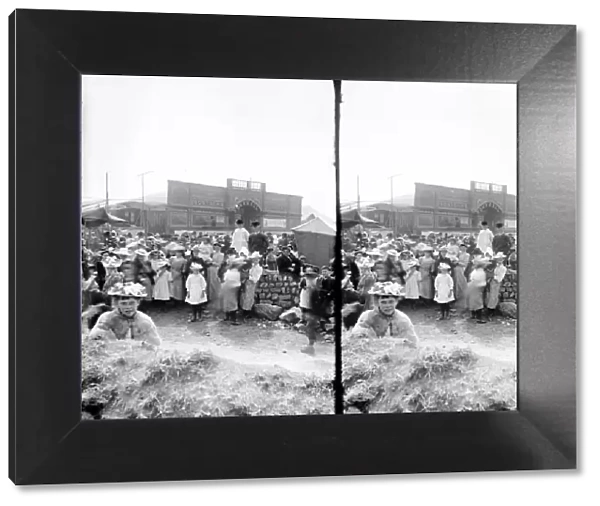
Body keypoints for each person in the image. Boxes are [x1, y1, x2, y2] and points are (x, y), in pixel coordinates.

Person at [89, 282, 161, 347]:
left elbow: (156, 344)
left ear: (138, 302)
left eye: (131, 303)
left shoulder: (145, 320)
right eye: (123, 303)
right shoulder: (107, 318)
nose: (128, 307)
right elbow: (93, 339)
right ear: (117, 303)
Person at [350, 282, 419, 347]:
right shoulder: (368, 317)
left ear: (396, 302)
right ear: (377, 302)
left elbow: (413, 343)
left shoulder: (403, 319)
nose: (388, 306)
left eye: (391, 302)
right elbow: (356, 338)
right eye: (383, 302)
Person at [298, 266, 323, 356]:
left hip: (312, 310)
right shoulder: (305, 285)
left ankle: (310, 346)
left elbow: (316, 301)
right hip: (305, 308)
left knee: (309, 327)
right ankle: (310, 345)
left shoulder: (315, 288)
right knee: (308, 327)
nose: (307, 278)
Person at [220, 258, 245, 324]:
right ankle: (234, 319)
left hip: (226, 287)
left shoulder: (228, 272)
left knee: (227, 301)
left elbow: (224, 279)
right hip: (234, 287)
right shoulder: (237, 273)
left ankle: (227, 316)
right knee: (233, 303)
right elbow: (238, 281)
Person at [240, 252, 263, 319]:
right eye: (254, 259)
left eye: (256, 259)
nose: (255, 261)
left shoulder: (259, 268)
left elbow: (256, 279)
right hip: (247, 283)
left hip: (252, 283)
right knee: (244, 297)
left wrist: (248, 277)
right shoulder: (251, 266)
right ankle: (244, 311)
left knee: (249, 297)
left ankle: (248, 312)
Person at [467, 258, 490, 323]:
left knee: (473, 301)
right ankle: (479, 318)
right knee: (478, 303)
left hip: (474, 286)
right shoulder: (480, 272)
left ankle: (473, 315)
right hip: (477, 287)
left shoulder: (476, 271)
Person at [485, 252, 508, 318]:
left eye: (500, 259)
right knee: (489, 296)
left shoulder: (503, 268)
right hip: (491, 282)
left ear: (503, 259)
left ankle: (491, 312)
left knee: (493, 297)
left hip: (496, 283)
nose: (499, 260)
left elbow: (499, 278)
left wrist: (492, 276)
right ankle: (488, 311)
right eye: (498, 259)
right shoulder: (496, 267)